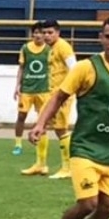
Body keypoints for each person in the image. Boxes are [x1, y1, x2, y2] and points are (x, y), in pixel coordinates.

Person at [31, 15, 109, 219]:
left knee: (107, 208)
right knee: (88, 203)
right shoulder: (86, 68)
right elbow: (58, 97)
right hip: (86, 148)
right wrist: (41, 124)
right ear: (100, 38)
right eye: (107, 36)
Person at [39, 20, 78, 179]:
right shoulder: (51, 48)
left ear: (58, 33)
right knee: (42, 123)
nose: (46, 36)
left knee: (61, 129)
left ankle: (67, 167)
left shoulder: (63, 47)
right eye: (44, 33)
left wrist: (68, 90)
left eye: (50, 32)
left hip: (63, 94)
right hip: (53, 94)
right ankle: (40, 164)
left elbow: (74, 69)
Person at [12, 23, 49, 161]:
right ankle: (18, 144)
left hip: (43, 89)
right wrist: (17, 85)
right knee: (21, 116)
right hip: (27, 89)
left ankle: (40, 146)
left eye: (41, 32)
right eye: (36, 32)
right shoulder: (26, 48)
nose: (39, 35)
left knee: (43, 119)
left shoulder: (49, 49)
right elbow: (21, 68)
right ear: (32, 34)